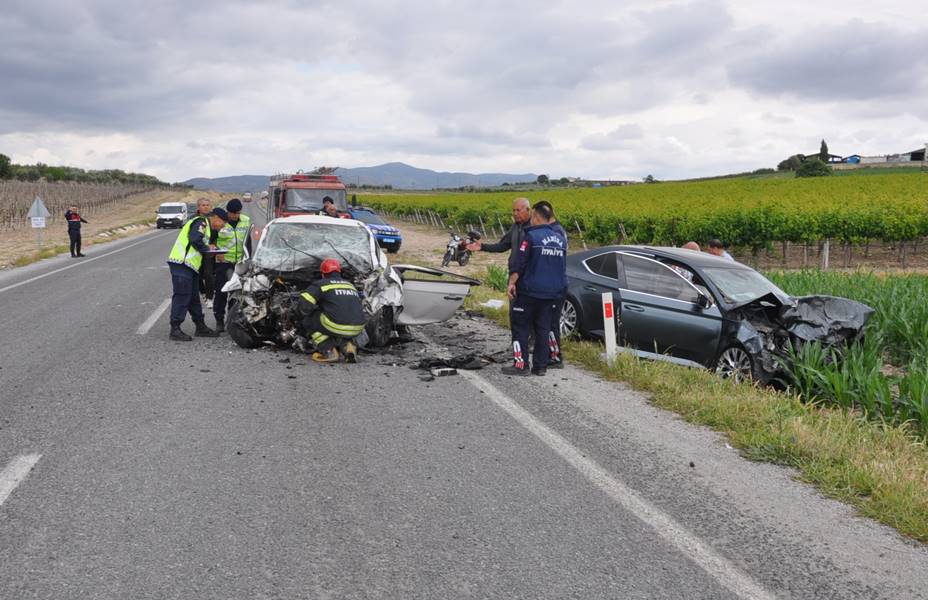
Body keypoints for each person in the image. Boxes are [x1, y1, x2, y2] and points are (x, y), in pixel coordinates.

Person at [503, 203, 568, 376]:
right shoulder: (561, 240)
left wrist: (512, 283)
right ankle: (540, 367)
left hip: (529, 292)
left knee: (520, 328)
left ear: (536, 217)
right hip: (552, 293)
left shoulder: (530, 237)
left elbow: (520, 263)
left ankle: (521, 365)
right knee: (543, 329)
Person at [166, 209, 228, 341]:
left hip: (191, 266)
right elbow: (195, 239)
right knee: (182, 295)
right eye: (223, 223)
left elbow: (199, 243)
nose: (222, 226)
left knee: (194, 297)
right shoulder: (201, 222)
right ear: (216, 217)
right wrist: (206, 249)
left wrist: (209, 249)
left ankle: (200, 326)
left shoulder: (207, 228)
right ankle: (175, 328)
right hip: (182, 263)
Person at [297, 258, 366, 363]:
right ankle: (348, 346)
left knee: (309, 320)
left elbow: (304, 306)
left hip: (336, 325)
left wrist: (299, 314)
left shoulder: (321, 284)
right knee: (338, 318)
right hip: (358, 327)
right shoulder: (350, 285)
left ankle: (328, 350)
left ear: (323, 273)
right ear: (339, 272)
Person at [535, 200, 568, 368]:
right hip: (555, 282)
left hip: (554, 284)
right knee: (547, 322)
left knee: (551, 323)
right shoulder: (557, 230)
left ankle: (555, 357)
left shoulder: (555, 232)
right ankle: (549, 354)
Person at [212, 198, 252, 332]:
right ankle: (219, 321)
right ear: (227, 212)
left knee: (237, 294)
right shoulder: (221, 222)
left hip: (240, 264)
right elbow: (211, 240)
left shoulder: (246, 220)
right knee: (221, 293)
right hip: (223, 263)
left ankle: (232, 320)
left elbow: (248, 240)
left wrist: (248, 259)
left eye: (238, 213)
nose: (236, 215)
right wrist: (217, 252)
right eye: (233, 213)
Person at [467, 197, 531, 274]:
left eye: (518, 210)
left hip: (529, 273)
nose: (515, 213)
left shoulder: (535, 228)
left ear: (528, 210)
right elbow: (502, 246)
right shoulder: (515, 227)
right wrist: (482, 247)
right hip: (514, 272)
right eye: (513, 210)